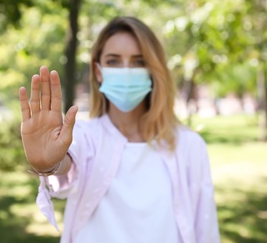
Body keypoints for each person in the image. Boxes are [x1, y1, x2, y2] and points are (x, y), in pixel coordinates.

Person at [19, 16, 220, 243]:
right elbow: (67, 163)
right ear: (98, 71)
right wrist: (48, 164)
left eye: (138, 62)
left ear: (154, 70)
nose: (126, 71)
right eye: (114, 62)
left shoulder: (188, 146)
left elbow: (206, 229)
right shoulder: (85, 137)